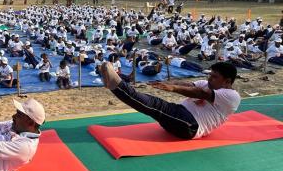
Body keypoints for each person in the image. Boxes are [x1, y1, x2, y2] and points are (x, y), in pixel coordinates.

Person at [99, 61, 241, 139]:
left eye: (215, 76)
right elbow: (190, 85)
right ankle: (115, 85)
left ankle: (116, 84)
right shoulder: (207, 84)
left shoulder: (232, 96)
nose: (210, 78)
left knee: (155, 105)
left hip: (190, 126)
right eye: (210, 74)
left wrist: (173, 89)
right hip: (182, 119)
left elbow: (200, 93)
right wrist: (170, 84)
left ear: (227, 81)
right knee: (154, 106)